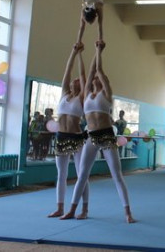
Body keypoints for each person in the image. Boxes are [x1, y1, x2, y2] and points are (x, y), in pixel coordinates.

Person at [61, 41, 135, 223]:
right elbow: (89, 73)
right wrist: (85, 53)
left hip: (107, 135)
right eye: (93, 78)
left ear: (104, 81)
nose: (94, 78)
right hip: (91, 136)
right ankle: (72, 209)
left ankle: (127, 212)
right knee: (82, 175)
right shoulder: (87, 94)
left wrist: (98, 51)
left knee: (116, 175)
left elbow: (98, 70)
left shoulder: (107, 94)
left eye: (99, 78)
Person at [48, 38, 88, 219]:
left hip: (76, 137)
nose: (74, 80)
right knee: (61, 174)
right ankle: (60, 207)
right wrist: (73, 51)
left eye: (78, 80)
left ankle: (84, 209)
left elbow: (82, 74)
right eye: (74, 80)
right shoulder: (64, 94)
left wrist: (80, 55)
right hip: (61, 136)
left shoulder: (82, 97)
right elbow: (67, 70)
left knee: (81, 174)